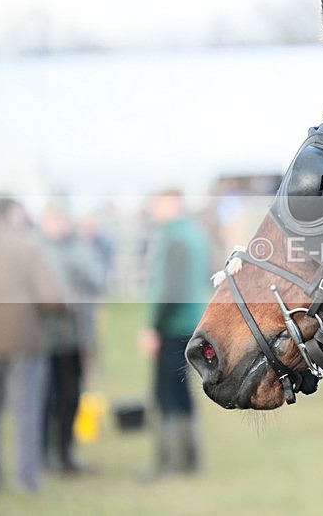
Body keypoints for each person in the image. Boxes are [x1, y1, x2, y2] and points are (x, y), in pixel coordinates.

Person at [0, 197, 64, 491]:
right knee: (26, 411)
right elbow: (50, 296)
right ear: (12, 214)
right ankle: (26, 478)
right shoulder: (27, 245)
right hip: (24, 339)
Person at [138, 190, 210, 477]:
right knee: (182, 392)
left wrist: (153, 327)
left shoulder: (173, 237)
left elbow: (169, 290)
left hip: (172, 325)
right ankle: (189, 459)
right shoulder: (195, 233)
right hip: (191, 322)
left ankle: (169, 462)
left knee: (166, 393)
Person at [41, 203, 104, 474]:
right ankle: (43, 455)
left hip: (74, 336)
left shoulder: (79, 247)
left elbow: (98, 280)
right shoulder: (36, 248)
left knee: (70, 396)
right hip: (42, 338)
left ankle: (66, 453)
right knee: (44, 398)